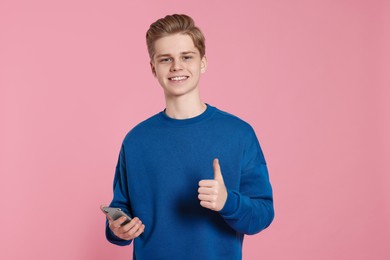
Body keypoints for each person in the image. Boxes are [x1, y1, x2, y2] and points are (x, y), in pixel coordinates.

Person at [101, 14, 274, 259]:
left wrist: (228, 202)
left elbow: (263, 214)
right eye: (165, 59)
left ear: (202, 63)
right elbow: (122, 208)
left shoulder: (239, 134)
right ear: (153, 68)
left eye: (186, 57)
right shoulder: (135, 141)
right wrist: (118, 229)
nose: (176, 66)